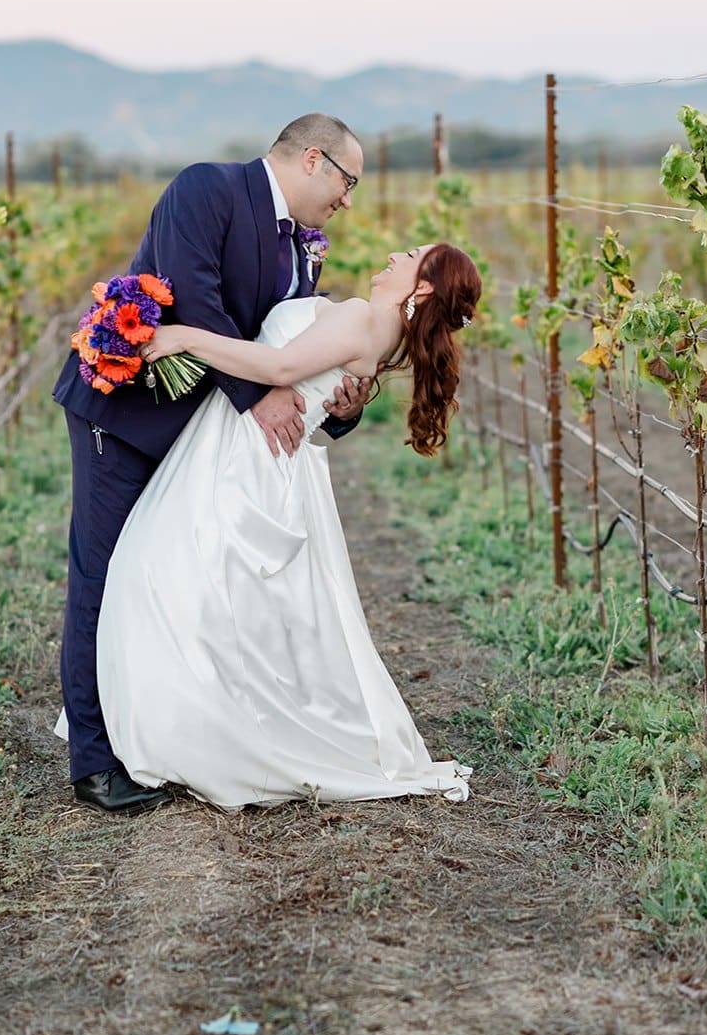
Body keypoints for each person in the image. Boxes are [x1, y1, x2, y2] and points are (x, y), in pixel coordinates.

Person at [52, 114, 373, 813]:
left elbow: (291, 342)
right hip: (127, 413)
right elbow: (194, 297)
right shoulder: (208, 189)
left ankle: (163, 736)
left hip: (202, 438)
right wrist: (261, 395)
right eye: (347, 181)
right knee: (104, 576)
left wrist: (340, 404)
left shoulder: (305, 248)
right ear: (313, 160)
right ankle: (96, 761)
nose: (348, 200)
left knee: (169, 584)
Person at [94, 240, 482, 812]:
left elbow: (277, 368)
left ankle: (199, 737)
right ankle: (198, 727)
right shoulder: (380, 336)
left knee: (161, 579)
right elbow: (315, 393)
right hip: (260, 455)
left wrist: (180, 338)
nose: (392, 256)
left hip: (241, 458)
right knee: (199, 595)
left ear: (421, 288)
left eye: (407, 256)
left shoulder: (361, 318)